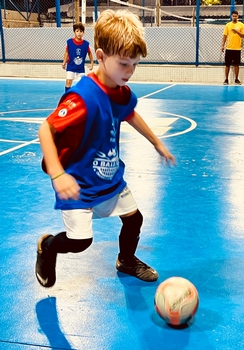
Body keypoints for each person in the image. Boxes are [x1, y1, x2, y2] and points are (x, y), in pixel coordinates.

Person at [35, 9, 176, 288]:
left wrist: (156, 142)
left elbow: (129, 112)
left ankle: (126, 260)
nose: (130, 71)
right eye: (124, 64)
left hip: (108, 176)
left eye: (135, 64)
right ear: (100, 56)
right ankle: (48, 247)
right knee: (80, 242)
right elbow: (45, 130)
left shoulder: (120, 89)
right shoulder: (82, 97)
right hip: (79, 182)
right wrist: (57, 175)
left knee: (134, 219)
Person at [62, 22, 94, 93]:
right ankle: (67, 96)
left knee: (82, 85)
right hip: (71, 66)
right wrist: (64, 62)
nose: (79, 33)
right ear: (74, 32)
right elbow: (66, 52)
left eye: (81, 31)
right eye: (77, 31)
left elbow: (90, 53)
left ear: (83, 33)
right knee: (68, 82)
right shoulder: (69, 42)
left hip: (80, 69)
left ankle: (81, 98)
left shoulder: (86, 44)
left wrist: (92, 63)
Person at [221, 10, 244, 85]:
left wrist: (237, 31)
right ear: (231, 16)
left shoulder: (241, 25)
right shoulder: (228, 25)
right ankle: (226, 79)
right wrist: (222, 45)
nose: (234, 17)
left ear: (238, 16)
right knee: (227, 65)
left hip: (237, 48)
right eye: (233, 16)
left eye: (236, 16)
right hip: (229, 48)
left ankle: (236, 79)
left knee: (236, 64)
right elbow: (225, 36)